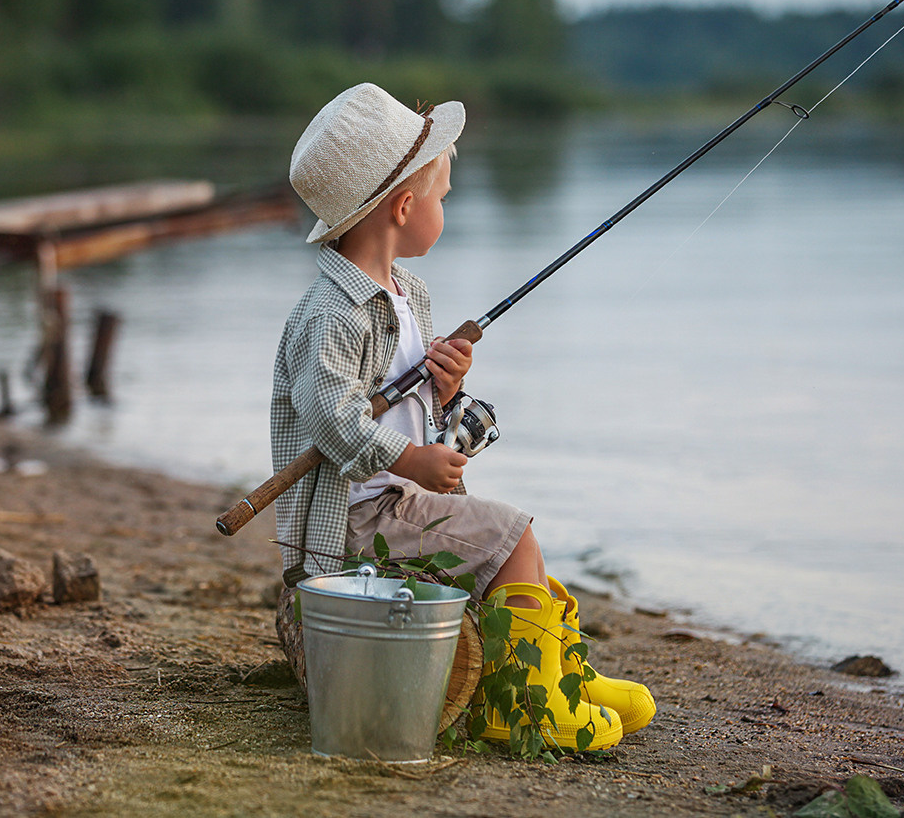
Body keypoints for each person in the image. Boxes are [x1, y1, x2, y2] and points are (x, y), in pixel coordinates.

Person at [271, 82, 654, 750]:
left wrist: (443, 394)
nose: (446, 206)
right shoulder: (330, 313)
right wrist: (410, 458)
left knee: (512, 557)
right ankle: (522, 705)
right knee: (513, 536)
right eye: (443, 196)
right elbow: (331, 417)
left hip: (399, 502)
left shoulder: (406, 295)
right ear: (403, 206)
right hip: (359, 524)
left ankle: (557, 674)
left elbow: (410, 411)